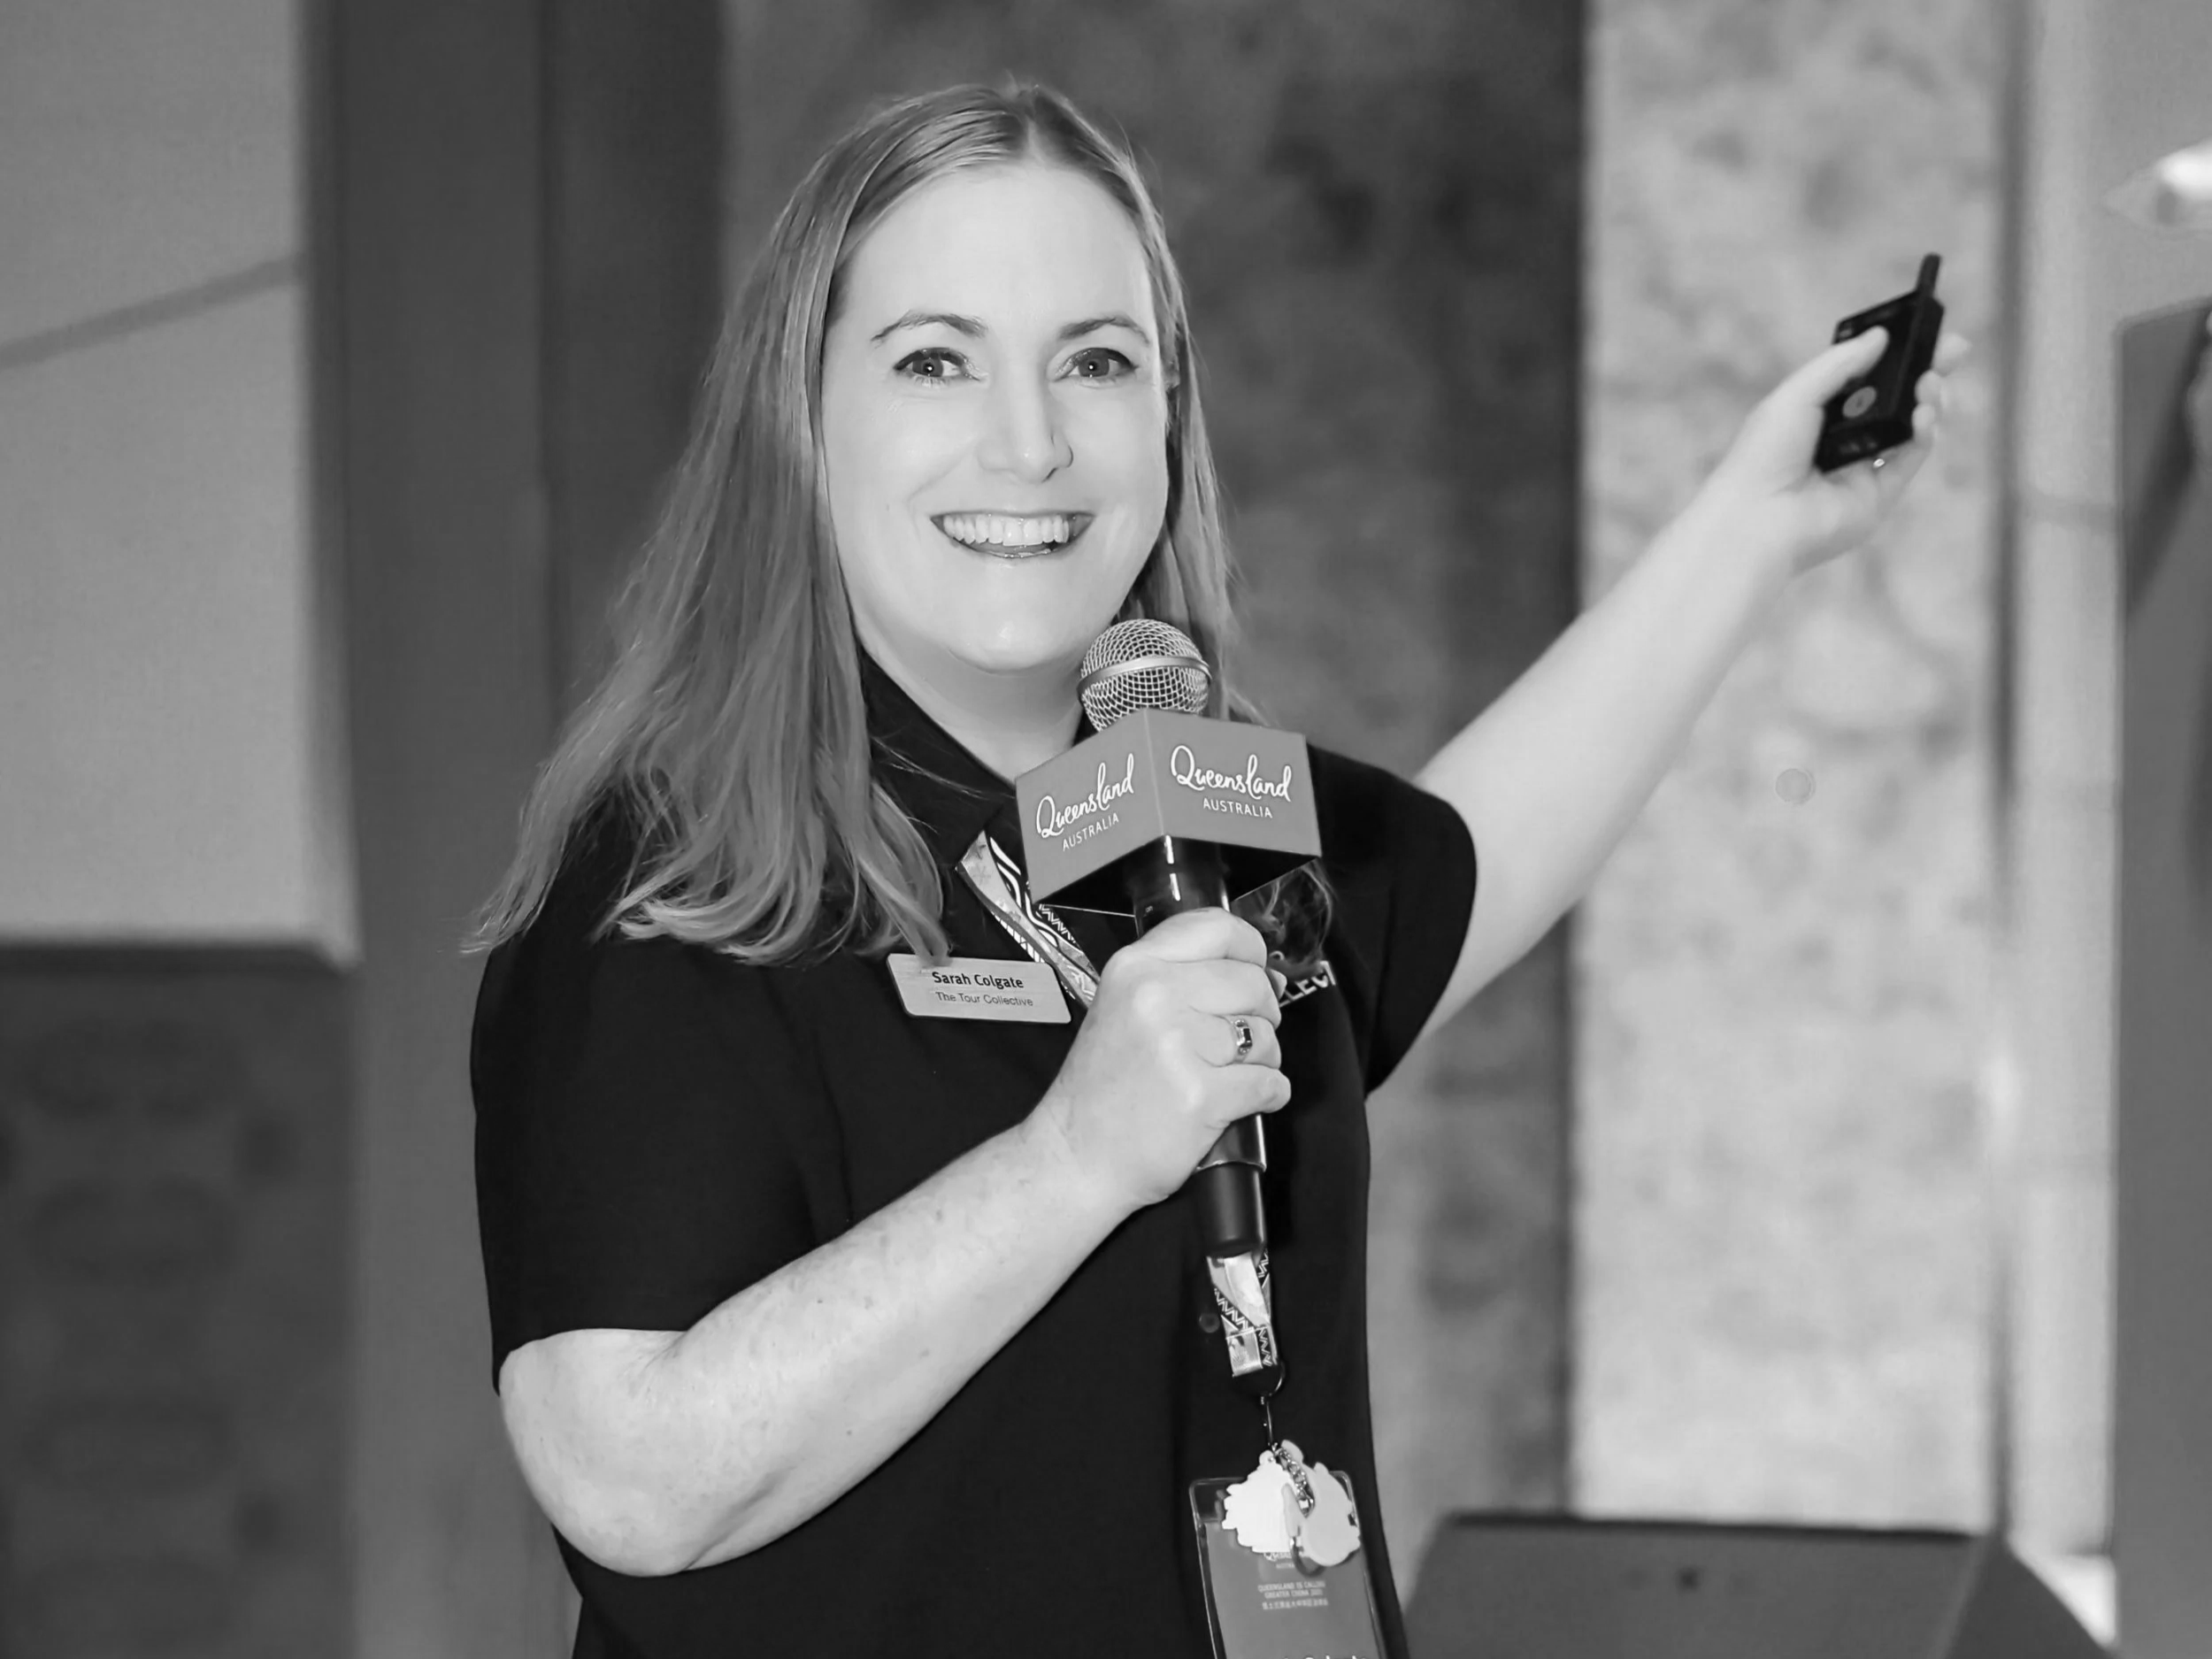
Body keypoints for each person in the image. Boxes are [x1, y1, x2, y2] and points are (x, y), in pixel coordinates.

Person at [467, 81, 1965, 1658]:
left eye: (1096, 364)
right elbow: (625, 1474)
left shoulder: (1206, 826)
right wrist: (1073, 1158)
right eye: (934, 360)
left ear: (1167, 417)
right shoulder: (675, 879)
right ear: (804, 414)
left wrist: (1749, 530)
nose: (1031, 442)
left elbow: (1483, 849)